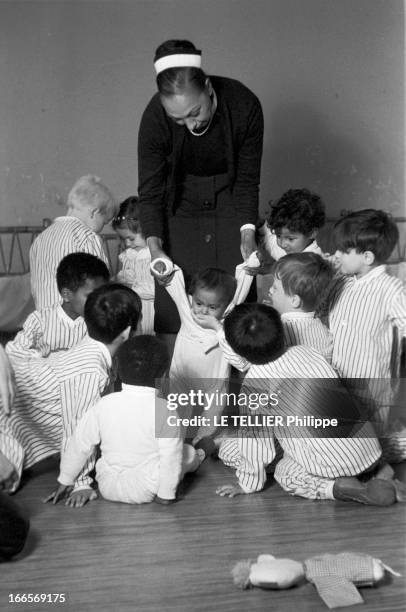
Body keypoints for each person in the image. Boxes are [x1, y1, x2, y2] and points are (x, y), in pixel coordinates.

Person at [214, 303, 403, 505]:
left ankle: (342, 488)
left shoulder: (254, 386)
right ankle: (378, 469)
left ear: (240, 354)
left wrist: (247, 484)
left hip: (327, 463)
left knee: (282, 471)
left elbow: (256, 444)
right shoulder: (308, 353)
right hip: (368, 446)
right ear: (283, 333)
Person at [138, 39, 264, 332]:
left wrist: (247, 233)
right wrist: (155, 247)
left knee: (237, 305)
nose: (190, 125)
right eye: (177, 119)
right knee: (175, 307)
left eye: (194, 112)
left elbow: (247, 180)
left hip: (231, 203)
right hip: (179, 208)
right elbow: (151, 191)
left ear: (208, 87)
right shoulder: (154, 117)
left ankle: (236, 372)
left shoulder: (244, 105)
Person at [0, 284, 141, 506]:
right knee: (6, 482)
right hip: (8, 401)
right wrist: (80, 482)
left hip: (20, 384)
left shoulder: (92, 346)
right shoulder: (90, 372)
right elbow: (78, 428)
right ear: (126, 333)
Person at [48, 336, 205, 506]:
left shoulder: (104, 404)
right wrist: (165, 494)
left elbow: (79, 443)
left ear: (116, 369)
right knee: (186, 453)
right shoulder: (164, 409)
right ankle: (200, 456)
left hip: (107, 485)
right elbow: (170, 455)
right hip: (147, 485)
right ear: (164, 375)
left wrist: (65, 480)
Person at [152, 257, 256, 443]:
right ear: (193, 298)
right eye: (199, 303)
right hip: (182, 376)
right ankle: (173, 440)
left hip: (214, 380)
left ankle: (201, 441)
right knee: (176, 410)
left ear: (226, 306)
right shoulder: (187, 309)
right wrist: (163, 268)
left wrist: (250, 267)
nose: (203, 311)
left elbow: (240, 289)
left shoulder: (227, 318)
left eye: (212, 307)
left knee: (214, 412)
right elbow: (174, 282)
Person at [329, 209, 406, 460]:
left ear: (367, 256)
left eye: (343, 250)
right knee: (347, 441)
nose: (336, 254)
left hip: (372, 386)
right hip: (340, 379)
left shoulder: (390, 289)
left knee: (375, 444)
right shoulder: (343, 282)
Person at [29, 175, 116, 309]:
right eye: (104, 222)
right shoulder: (87, 237)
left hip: (46, 323)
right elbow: (100, 290)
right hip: (78, 325)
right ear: (95, 212)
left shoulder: (40, 239)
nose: (101, 228)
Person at [6, 253, 110, 361]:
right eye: (91, 296)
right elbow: (14, 351)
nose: (99, 300)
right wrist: (41, 359)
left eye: (103, 294)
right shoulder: (40, 320)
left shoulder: (100, 321)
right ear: (66, 295)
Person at [255, 188, 326, 301]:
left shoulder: (314, 261)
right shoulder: (291, 248)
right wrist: (259, 225)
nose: (282, 244)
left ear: (312, 233)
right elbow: (270, 241)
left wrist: (269, 269)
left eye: (290, 238)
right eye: (278, 236)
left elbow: (292, 271)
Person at [267, 253, 334, 362]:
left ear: (294, 300)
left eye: (275, 288)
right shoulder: (324, 331)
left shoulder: (277, 330)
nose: (270, 290)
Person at [112, 197, 155, 334]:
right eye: (123, 239)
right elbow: (126, 275)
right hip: (133, 307)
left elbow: (156, 289)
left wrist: (132, 287)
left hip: (150, 309)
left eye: (131, 238)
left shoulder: (152, 255)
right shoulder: (128, 254)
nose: (128, 244)